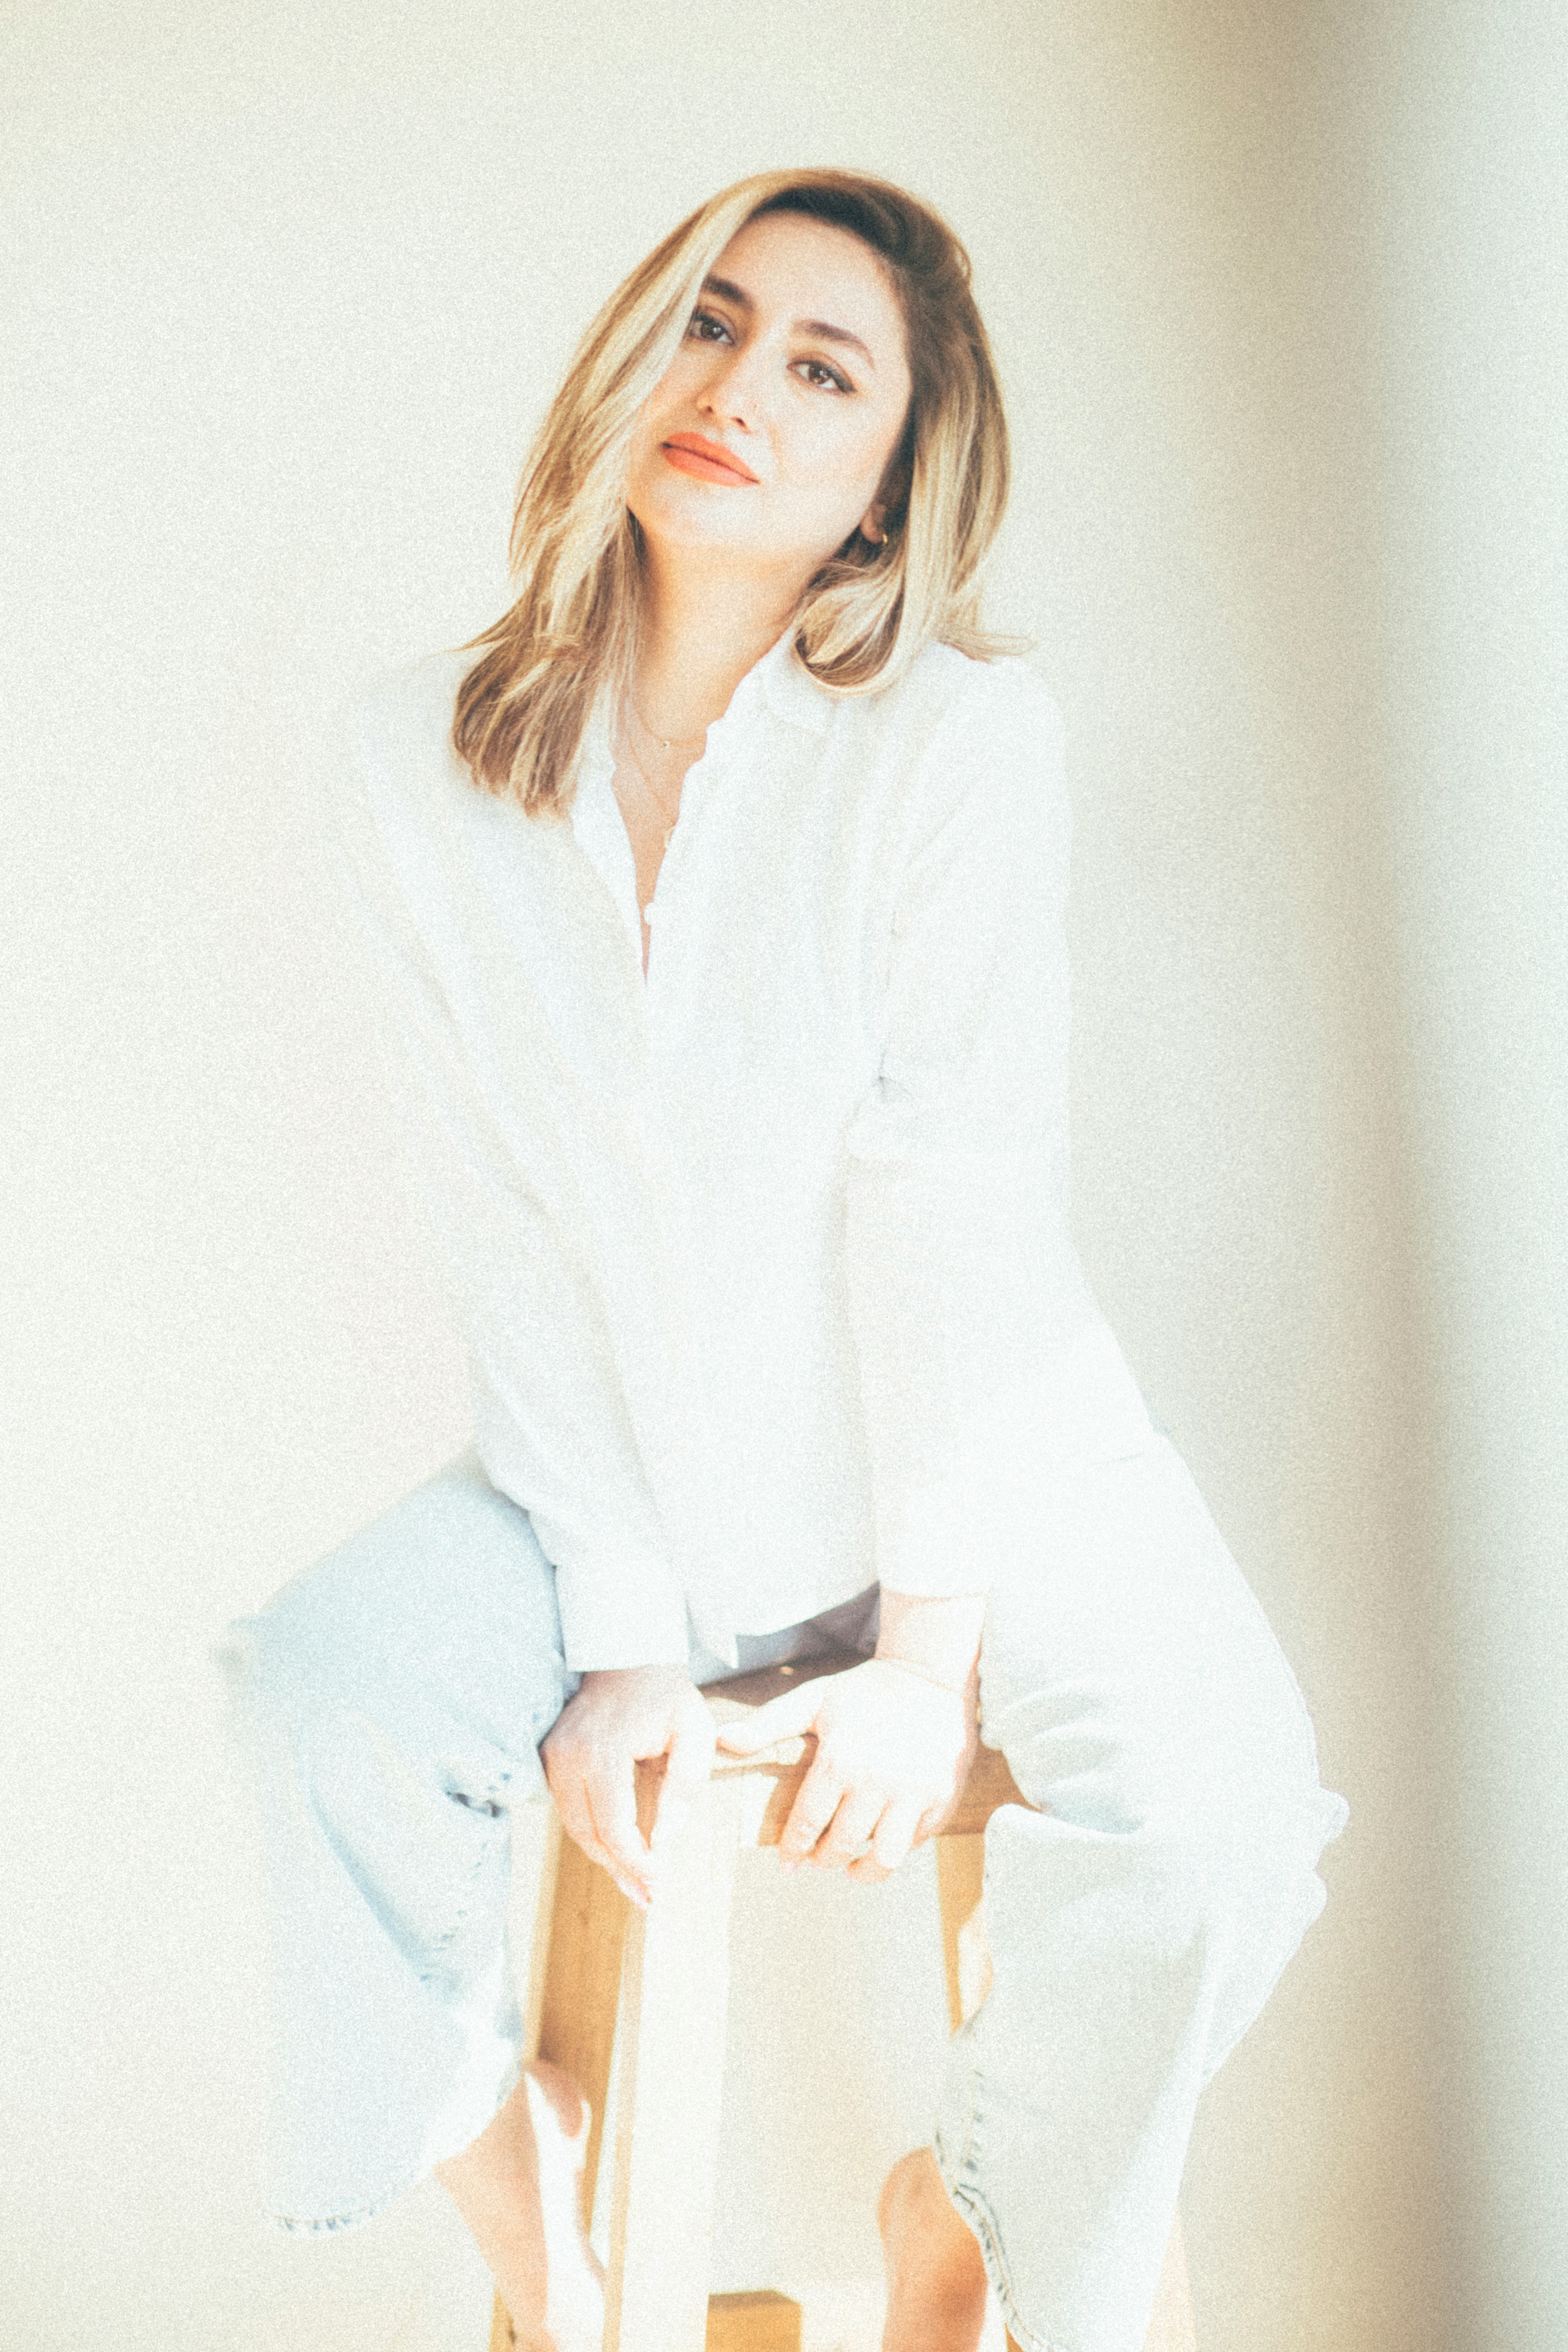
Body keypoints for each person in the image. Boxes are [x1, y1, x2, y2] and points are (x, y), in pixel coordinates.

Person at [217, 168, 1350, 2352]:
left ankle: (975, 2203)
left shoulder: (949, 744)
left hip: (990, 1473)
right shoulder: (414, 759)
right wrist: (630, 1629)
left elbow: (956, 1210)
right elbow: (510, 1223)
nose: (733, 387)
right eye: (709, 322)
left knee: (1212, 1822)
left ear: (878, 491)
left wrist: (925, 1665)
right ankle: (542, 2219)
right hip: (626, 1471)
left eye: (816, 370)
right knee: (321, 1685)